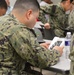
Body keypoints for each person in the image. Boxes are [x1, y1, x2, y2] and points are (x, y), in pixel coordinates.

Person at [0, 0, 63, 75]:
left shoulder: (3, 20)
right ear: (29, 13)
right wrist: (56, 52)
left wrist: (36, 46)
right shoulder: (19, 29)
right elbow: (41, 60)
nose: (35, 21)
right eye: (36, 18)